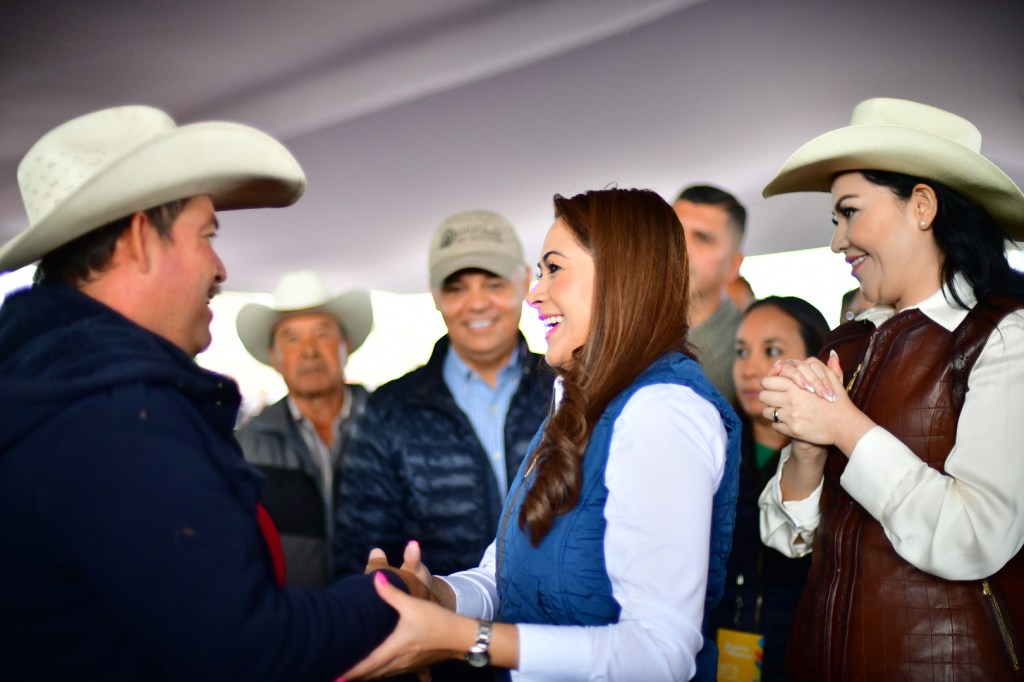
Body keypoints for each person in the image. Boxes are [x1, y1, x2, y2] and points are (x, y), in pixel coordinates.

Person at [0, 106, 411, 680]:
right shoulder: (122, 418)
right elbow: (249, 646)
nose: (220, 269)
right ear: (141, 239)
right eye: (207, 235)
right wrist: (392, 592)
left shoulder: (57, 391)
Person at [342, 188, 742, 682]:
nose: (535, 293)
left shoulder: (662, 411)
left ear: (619, 277)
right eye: (539, 271)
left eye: (554, 269)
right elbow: (506, 575)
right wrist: (435, 594)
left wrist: (461, 637)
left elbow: (661, 654)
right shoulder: (579, 401)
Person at [758, 97, 1024, 680]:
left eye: (849, 213)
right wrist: (807, 447)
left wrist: (843, 426)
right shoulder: (849, 339)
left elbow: (975, 537)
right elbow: (787, 537)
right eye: (835, 221)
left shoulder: (1005, 336)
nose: (838, 242)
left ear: (922, 206)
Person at [709, 296, 828, 681]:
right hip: (715, 649)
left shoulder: (837, 460)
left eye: (772, 351)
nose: (750, 368)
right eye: (742, 352)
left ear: (816, 362)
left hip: (802, 656)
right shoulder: (714, 446)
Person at [235, 269, 373, 587]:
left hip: (387, 608)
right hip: (291, 611)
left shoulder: (389, 427)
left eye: (322, 333)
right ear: (275, 357)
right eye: (292, 338)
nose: (309, 350)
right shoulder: (247, 445)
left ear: (346, 345)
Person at [674, 184, 746, 403]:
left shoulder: (746, 345)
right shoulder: (627, 325)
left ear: (733, 265)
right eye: (674, 231)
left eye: (702, 238)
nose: (680, 247)